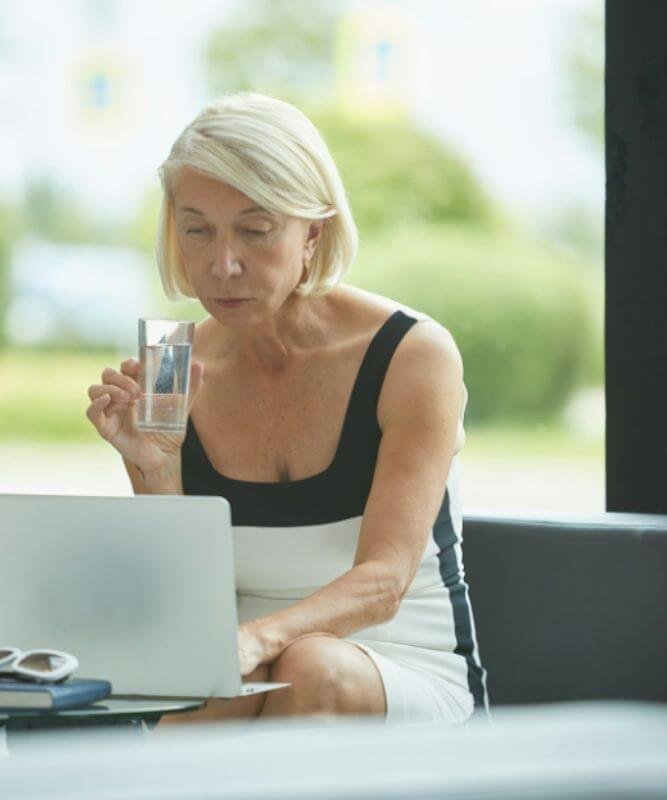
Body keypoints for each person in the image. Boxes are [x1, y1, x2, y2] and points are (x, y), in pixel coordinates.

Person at [85, 92, 487, 724]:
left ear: (312, 234)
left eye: (255, 230)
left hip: (402, 672)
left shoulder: (413, 354)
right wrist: (155, 469)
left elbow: (385, 581)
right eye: (197, 230)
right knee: (220, 688)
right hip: (244, 681)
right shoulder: (171, 363)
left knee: (307, 670)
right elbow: (188, 610)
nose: (223, 264)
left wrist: (260, 640)